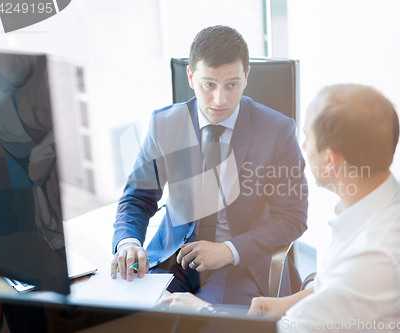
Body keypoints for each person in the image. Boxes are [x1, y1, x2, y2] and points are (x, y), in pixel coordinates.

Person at [160, 84, 400, 333]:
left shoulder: (373, 258)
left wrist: (202, 312)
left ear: (330, 158)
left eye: (307, 138)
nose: (302, 146)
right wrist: (286, 302)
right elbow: (339, 290)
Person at [111, 25, 308, 306]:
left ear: (246, 76)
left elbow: (292, 217)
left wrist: (228, 250)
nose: (220, 99)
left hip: (239, 265)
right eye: (209, 84)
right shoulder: (164, 124)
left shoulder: (278, 131)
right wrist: (128, 241)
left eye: (232, 84)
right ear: (191, 77)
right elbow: (137, 197)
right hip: (171, 258)